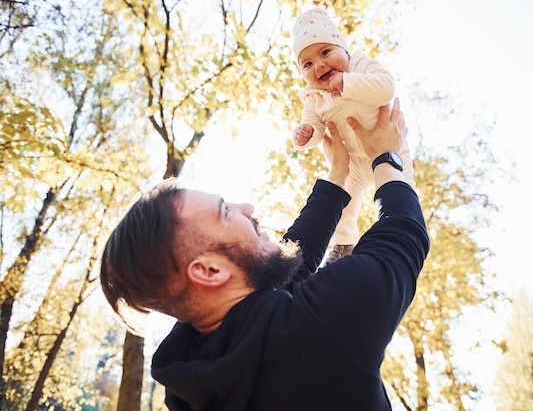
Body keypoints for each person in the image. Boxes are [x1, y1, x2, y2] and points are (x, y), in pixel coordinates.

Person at [100, 99, 429, 411]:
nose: (246, 208)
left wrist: (338, 175)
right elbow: (400, 236)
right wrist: (387, 155)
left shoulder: (192, 378)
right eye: (226, 212)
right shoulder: (317, 332)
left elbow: (284, 276)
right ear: (210, 271)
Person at [291, 7, 415, 262]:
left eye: (325, 52)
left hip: (390, 150)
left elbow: (385, 88)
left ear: (344, 50)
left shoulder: (360, 65)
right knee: (342, 206)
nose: (319, 65)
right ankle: (343, 246)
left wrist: (347, 83)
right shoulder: (314, 97)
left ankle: (403, 230)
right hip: (353, 167)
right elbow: (314, 126)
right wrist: (306, 135)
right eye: (308, 64)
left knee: (400, 194)